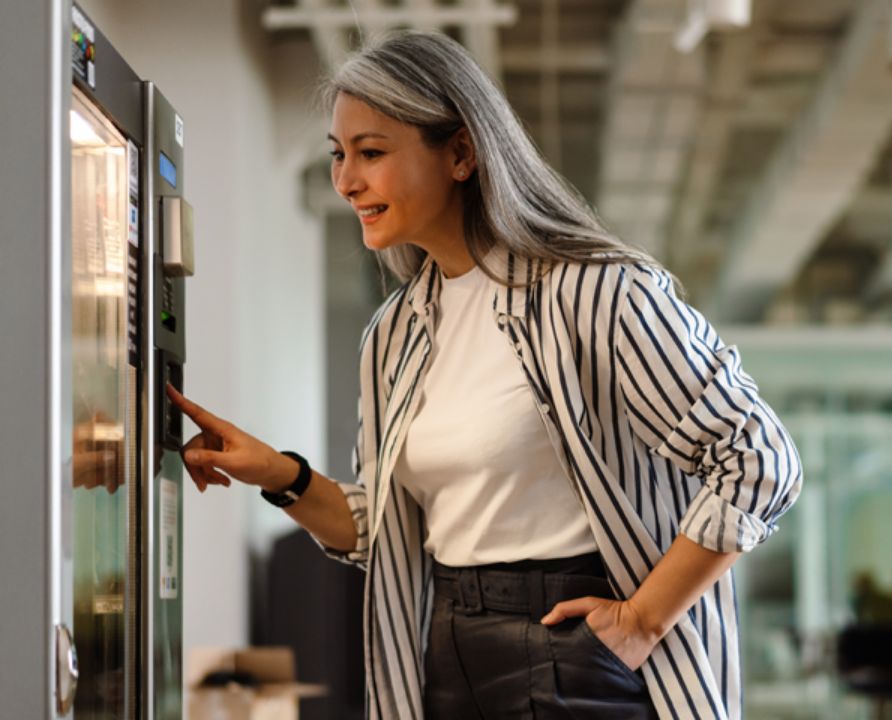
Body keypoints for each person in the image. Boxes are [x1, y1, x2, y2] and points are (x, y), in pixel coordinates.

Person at [168, 30, 802, 720]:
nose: (347, 180)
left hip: (573, 652)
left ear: (462, 154)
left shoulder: (595, 293)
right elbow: (388, 538)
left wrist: (644, 619)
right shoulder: (394, 335)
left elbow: (757, 460)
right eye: (339, 156)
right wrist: (281, 476)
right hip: (443, 651)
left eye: (372, 153)